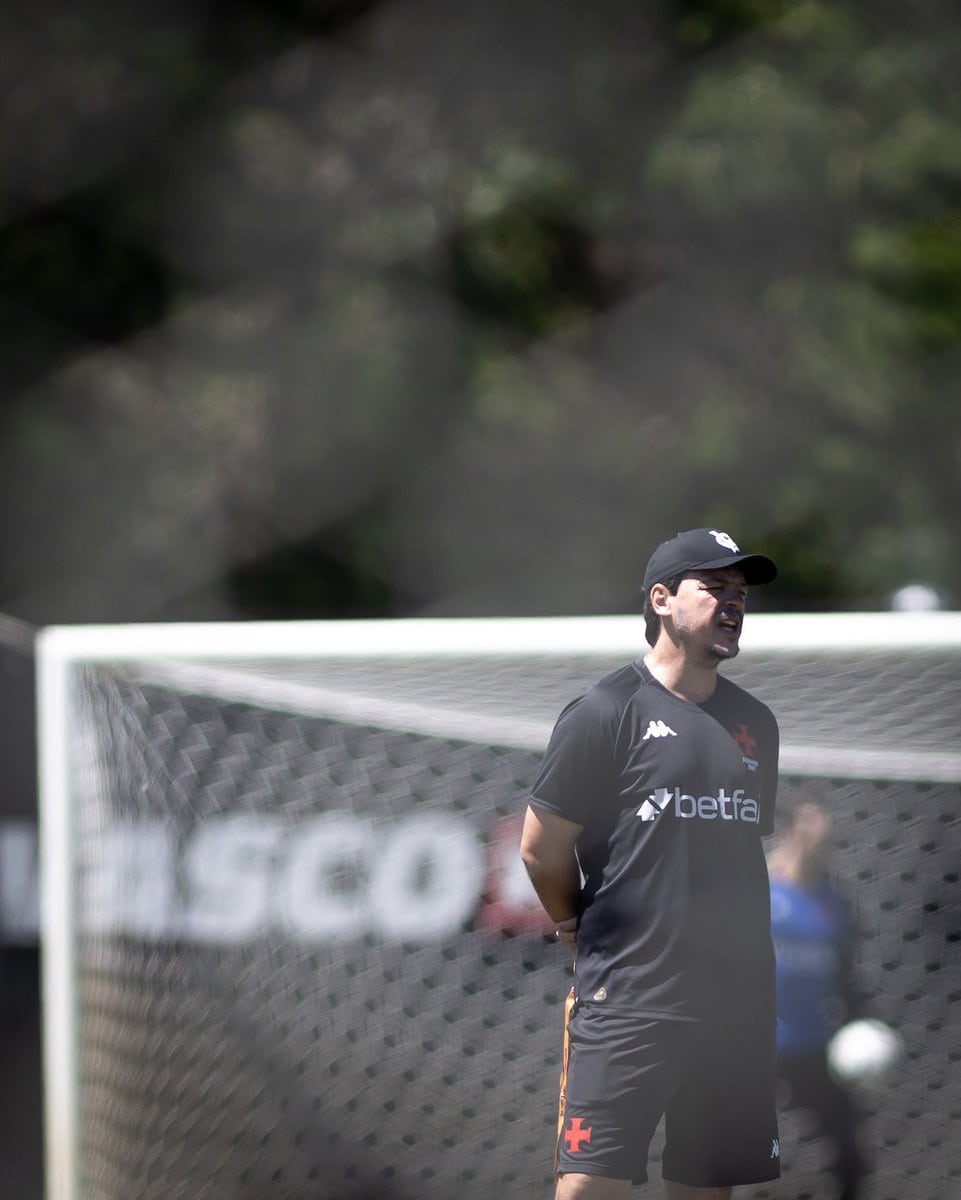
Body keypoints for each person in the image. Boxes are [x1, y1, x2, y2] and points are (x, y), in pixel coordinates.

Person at [519, 527, 782, 1200]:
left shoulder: (754, 721)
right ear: (661, 599)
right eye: (714, 587)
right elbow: (540, 847)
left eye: (740, 591)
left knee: (707, 1189)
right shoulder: (607, 710)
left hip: (734, 1004)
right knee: (588, 1187)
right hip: (630, 1001)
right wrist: (575, 931)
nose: (733, 602)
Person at [767, 795, 869, 1200]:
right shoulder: (757, 891)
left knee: (849, 1154)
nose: (820, 837)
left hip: (811, 1046)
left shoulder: (837, 905)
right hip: (753, 1044)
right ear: (789, 831)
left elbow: (847, 977)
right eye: (809, 826)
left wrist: (860, 1025)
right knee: (728, 1148)